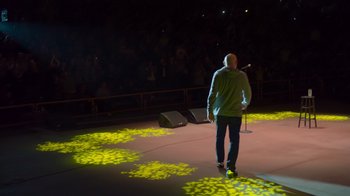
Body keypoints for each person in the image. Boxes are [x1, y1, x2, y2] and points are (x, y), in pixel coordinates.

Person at [207, 53, 252, 178]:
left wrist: (209, 111)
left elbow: (212, 94)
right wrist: (244, 104)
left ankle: (220, 161)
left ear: (224, 62)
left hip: (220, 113)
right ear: (236, 62)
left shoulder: (218, 74)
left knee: (219, 137)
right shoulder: (241, 76)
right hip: (235, 113)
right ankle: (231, 167)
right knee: (234, 140)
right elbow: (248, 93)